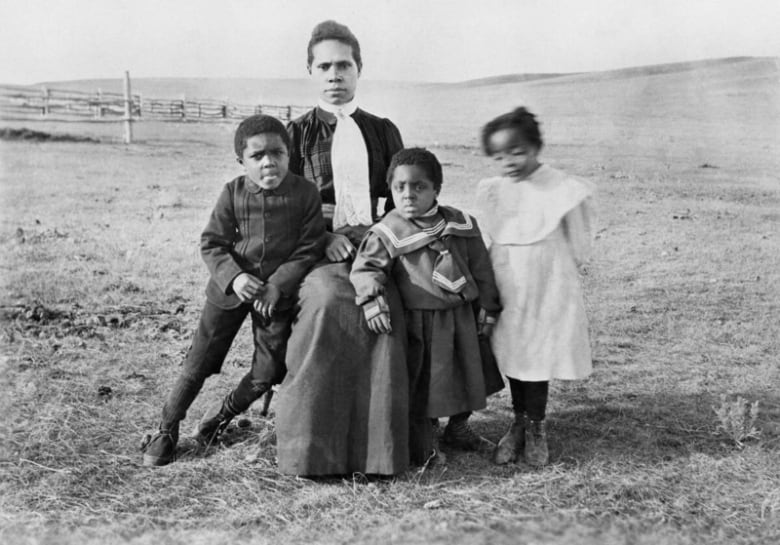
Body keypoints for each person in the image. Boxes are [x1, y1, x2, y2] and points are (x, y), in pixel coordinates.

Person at [141, 114, 325, 466]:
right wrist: (236, 278)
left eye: (278, 152)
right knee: (200, 359)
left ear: (290, 155)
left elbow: (309, 247)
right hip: (229, 292)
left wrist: (277, 285)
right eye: (257, 156)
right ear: (242, 161)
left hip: (275, 299)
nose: (269, 161)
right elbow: (212, 243)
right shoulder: (233, 192)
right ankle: (167, 428)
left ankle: (218, 420)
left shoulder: (306, 194)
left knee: (269, 371)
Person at [273, 20, 409, 476]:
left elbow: (400, 204)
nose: (335, 75)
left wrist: (378, 242)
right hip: (315, 247)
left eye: (344, 65)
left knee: (391, 301)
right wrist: (324, 236)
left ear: (359, 70)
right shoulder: (293, 136)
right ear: (311, 72)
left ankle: (380, 450)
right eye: (325, 65)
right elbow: (278, 208)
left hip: (375, 244)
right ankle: (315, 449)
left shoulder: (384, 131)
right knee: (332, 301)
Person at [350, 148, 502, 465]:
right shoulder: (386, 233)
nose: (408, 195)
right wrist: (372, 301)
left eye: (419, 187)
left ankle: (459, 427)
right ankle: (426, 436)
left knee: (469, 373)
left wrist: (489, 306)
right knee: (427, 382)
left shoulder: (461, 223)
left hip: (463, 317)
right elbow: (365, 269)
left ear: (436, 189)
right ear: (390, 190)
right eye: (399, 188)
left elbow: (481, 267)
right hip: (421, 322)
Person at [476, 107, 596, 467]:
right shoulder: (493, 191)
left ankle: (537, 426)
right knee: (514, 353)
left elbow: (579, 245)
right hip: (507, 286)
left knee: (537, 357)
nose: (509, 162)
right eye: (499, 156)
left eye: (517, 152)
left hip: (547, 287)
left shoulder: (561, 188)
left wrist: (558, 282)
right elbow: (486, 238)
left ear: (535, 147)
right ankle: (517, 422)